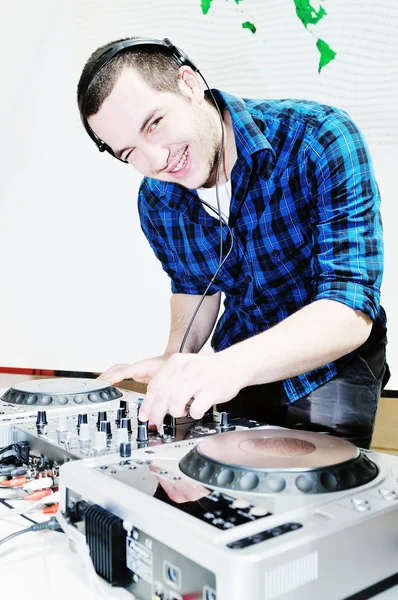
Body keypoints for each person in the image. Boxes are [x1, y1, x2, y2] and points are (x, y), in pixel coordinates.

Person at [78, 37, 389, 448]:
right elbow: (193, 288)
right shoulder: (156, 198)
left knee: (320, 499)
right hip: (235, 360)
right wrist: (176, 359)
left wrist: (226, 368)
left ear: (188, 83)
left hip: (333, 365)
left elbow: (348, 310)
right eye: (130, 151)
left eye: (154, 124)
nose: (155, 161)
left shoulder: (321, 139)